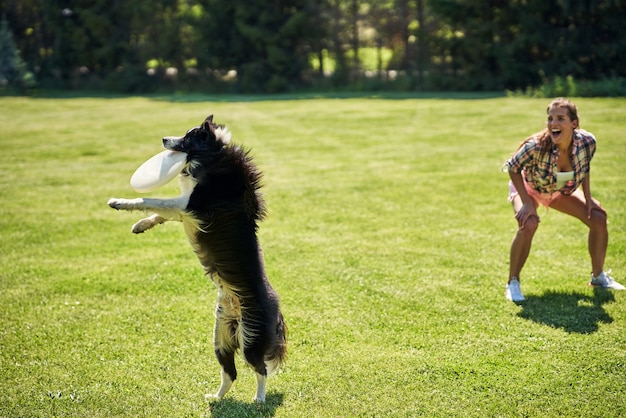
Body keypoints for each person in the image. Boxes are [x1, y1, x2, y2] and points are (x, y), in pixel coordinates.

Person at [502, 98, 624, 302]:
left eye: (560, 118)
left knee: (598, 217)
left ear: (574, 123)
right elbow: (513, 167)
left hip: (557, 191)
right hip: (529, 188)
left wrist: (588, 199)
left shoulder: (587, 142)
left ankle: (598, 277)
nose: (553, 123)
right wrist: (526, 202)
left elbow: (584, 168)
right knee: (529, 223)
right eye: (550, 119)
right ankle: (512, 283)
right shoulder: (536, 146)